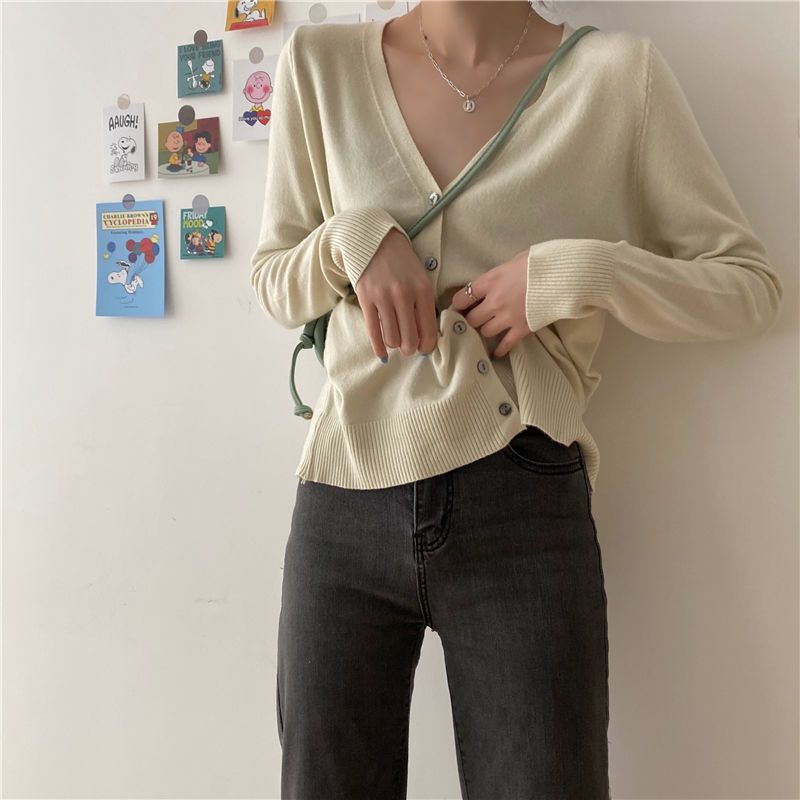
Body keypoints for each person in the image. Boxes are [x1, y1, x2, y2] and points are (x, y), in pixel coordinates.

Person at [250, 1, 783, 797]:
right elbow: (273, 278)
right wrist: (349, 240)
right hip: (344, 497)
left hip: (522, 501)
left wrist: (583, 273)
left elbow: (748, 289)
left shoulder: (617, 79)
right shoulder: (319, 65)